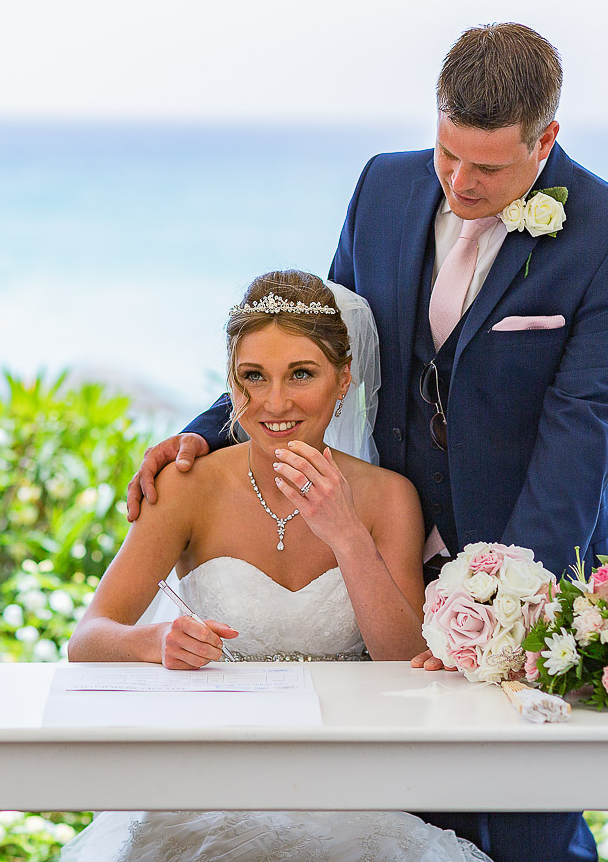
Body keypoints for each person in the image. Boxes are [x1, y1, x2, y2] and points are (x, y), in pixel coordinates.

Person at [128, 23, 608, 862]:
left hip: (528, 561)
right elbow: (321, 341)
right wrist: (198, 438)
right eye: (448, 154)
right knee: (405, 821)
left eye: (488, 168)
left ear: (546, 138)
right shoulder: (383, 186)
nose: (459, 182)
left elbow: (583, 432)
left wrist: (502, 607)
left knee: (529, 827)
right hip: (384, 540)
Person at [61, 270, 492, 862]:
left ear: (343, 380)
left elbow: (402, 658)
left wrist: (347, 534)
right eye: (253, 377)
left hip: (348, 782)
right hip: (208, 776)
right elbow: (87, 637)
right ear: (231, 384)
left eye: (302, 375)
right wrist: (152, 641)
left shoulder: (389, 496)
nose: (275, 403)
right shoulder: (188, 488)